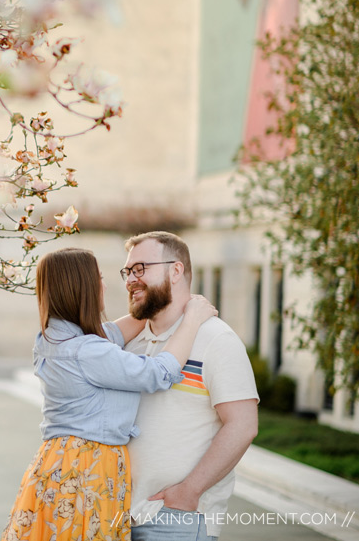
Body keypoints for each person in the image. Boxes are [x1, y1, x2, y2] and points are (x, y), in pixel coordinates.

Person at [2, 247, 218, 541]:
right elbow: (158, 373)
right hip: (86, 467)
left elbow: (112, 334)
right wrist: (192, 320)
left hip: (59, 463)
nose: (104, 285)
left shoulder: (52, 338)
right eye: (99, 278)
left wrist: (158, 301)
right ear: (83, 288)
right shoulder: (86, 351)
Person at [121, 231, 259, 541]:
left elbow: (243, 425)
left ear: (176, 270)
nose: (131, 279)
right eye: (128, 271)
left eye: (141, 268)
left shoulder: (216, 340)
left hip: (175, 518)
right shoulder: (131, 343)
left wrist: (189, 491)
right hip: (118, 515)